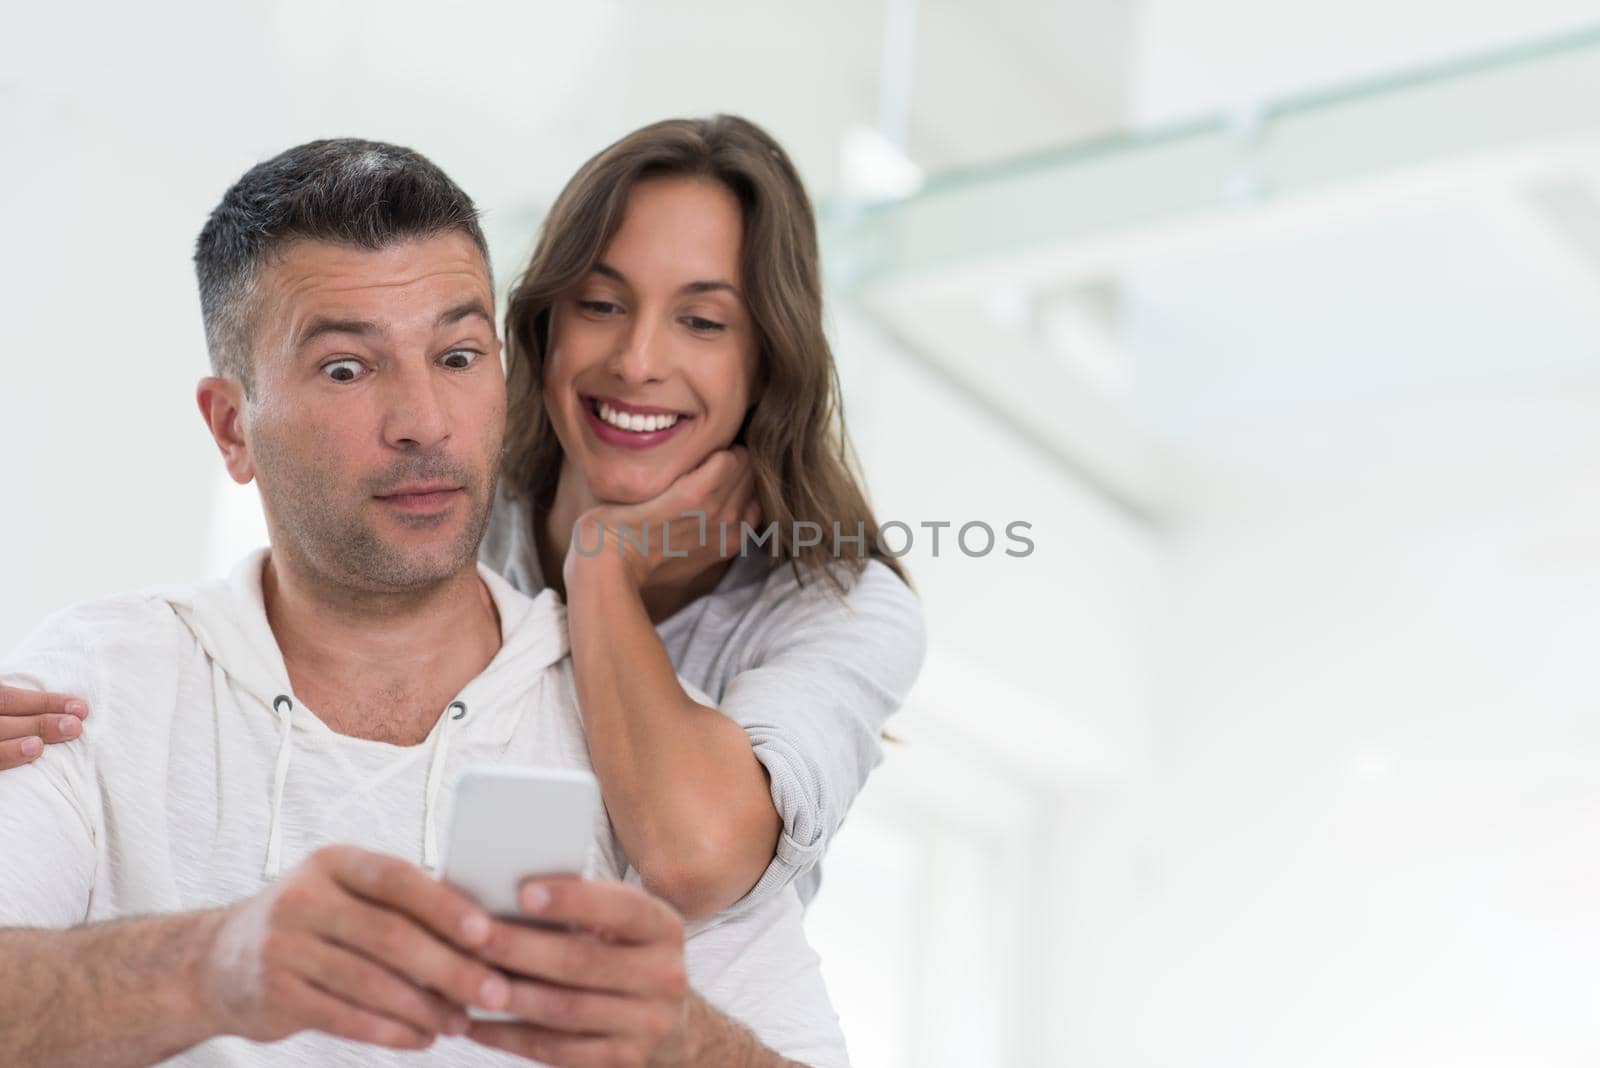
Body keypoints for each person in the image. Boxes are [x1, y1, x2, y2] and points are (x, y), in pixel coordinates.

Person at [0, 139, 845, 1067]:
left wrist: (685, 1044)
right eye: (347, 370)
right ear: (232, 426)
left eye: (456, 355)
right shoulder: (99, 686)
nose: (424, 423)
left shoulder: (640, 741)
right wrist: (210, 967)